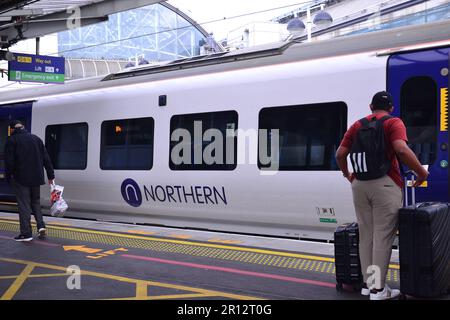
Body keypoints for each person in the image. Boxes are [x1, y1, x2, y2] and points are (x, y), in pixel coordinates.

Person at [335, 91, 429, 300]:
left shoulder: (357, 125)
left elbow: (340, 154)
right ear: (391, 108)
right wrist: (421, 173)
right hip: (385, 185)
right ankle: (378, 289)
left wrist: (347, 174)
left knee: (366, 236)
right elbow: (401, 150)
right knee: (382, 237)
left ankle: (369, 285)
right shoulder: (393, 122)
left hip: (359, 184)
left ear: (370, 106)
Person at [4, 120, 55, 242]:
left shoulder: (12, 140)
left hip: (21, 178)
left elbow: (9, 162)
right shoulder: (36, 139)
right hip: (36, 178)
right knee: (35, 202)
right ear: (23, 127)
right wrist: (50, 175)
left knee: (24, 205)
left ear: (12, 129)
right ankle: (41, 227)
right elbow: (46, 158)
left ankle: (26, 233)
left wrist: (8, 176)